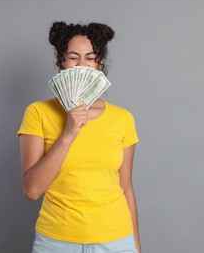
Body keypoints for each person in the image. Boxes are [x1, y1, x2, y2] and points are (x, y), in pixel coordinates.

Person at [17, 21, 141, 253]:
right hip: (56, 241)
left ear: (99, 63)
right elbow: (31, 190)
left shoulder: (122, 119)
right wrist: (68, 133)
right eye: (73, 57)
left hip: (115, 240)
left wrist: (135, 245)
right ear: (62, 62)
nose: (81, 64)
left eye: (90, 57)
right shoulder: (38, 112)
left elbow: (126, 188)